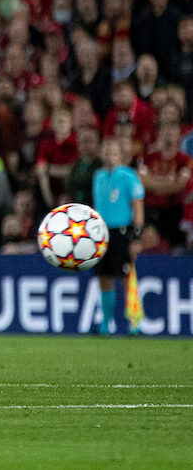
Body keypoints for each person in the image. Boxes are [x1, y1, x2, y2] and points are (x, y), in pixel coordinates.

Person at [92, 137, 145, 336]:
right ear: (102, 154)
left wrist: (136, 236)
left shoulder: (130, 176)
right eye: (107, 151)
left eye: (114, 152)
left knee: (126, 276)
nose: (110, 155)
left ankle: (134, 322)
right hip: (102, 233)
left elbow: (137, 206)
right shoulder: (98, 176)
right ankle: (106, 324)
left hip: (123, 231)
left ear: (122, 155)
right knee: (104, 277)